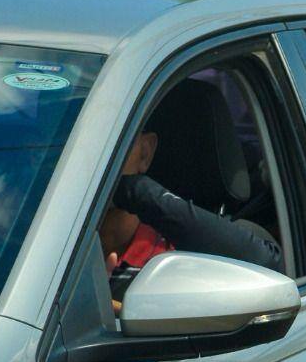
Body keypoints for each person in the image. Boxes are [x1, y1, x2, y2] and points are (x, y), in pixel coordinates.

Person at [99, 121, 283, 289]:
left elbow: (268, 268)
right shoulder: (70, 249)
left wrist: (134, 191)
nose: (92, 161)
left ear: (145, 153)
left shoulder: (180, 259)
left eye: (110, 140)